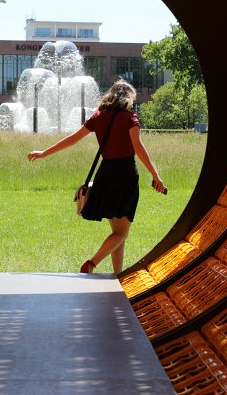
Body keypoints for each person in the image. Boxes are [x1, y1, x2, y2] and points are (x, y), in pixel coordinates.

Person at [28, 80, 166, 274]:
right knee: (121, 233)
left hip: (105, 174)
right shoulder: (129, 118)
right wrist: (155, 175)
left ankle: (117, 275)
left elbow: (72, 140)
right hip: (125, 175)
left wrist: (44, 152)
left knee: (117, 232)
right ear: (128, 99)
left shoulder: (98, 117)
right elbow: (138, 148)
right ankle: (91, 263)